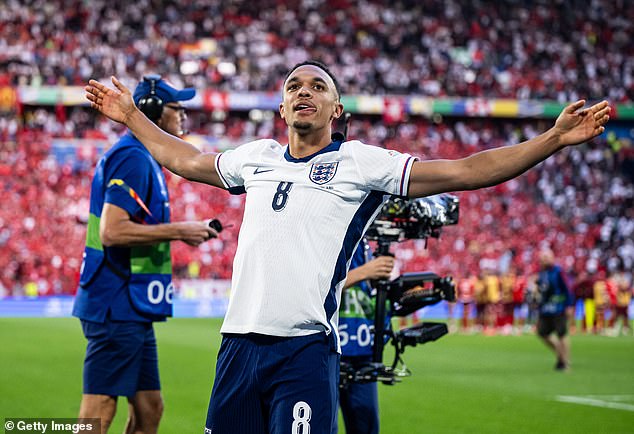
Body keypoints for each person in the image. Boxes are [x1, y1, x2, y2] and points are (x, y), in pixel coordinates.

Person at [84, 60, 610, 433]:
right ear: (283, 107)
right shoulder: (257, 157)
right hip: (237, 347)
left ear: (336, 109)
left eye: (318, 86)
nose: (304, 92)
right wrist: (131, 115)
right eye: (294, 86)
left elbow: (465, 171)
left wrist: (551, 140)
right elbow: (185, 160)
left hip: (304, 350)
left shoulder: (361, 162)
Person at [73, 75, 217, 434]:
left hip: (131, 305)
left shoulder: (144, 157)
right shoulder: (132, 158)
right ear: (152, 110)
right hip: (116, 303)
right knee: (99, 409)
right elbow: (112, 231)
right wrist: (181, 231)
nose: (183, 115)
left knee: (150, 409)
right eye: (176, 107)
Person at [337, 240, 394, 434]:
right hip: (329, 351)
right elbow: (316, 283)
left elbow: (369, 297)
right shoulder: (325, 229)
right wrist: (366, 271)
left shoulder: (366, 242)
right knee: (321, 425)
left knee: (366, 427)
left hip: (362, 352)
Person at [535, 248, 574, 370]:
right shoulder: (541, 273)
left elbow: (568, 288)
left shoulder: (558, 271)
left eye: (546, 257)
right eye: (542, 258)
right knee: (542, 332)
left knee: (562, 333)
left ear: (552, 258)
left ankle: (565, 362)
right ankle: (559, 352)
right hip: (546, 309)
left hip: (559, 307)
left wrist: (569, 305)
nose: (544, 260)